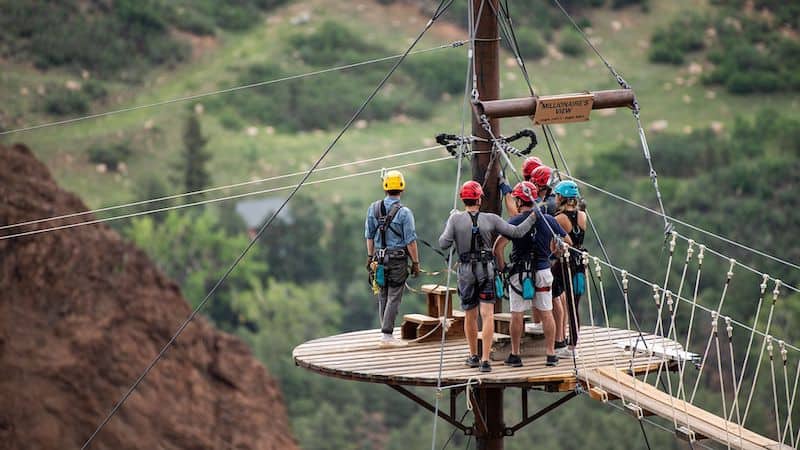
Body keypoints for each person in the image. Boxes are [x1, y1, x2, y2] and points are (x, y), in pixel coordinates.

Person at [439, 180, 537, 373]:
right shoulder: (490, 219)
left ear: (463, 199)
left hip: (466, 271)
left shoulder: (456, 220)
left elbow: (444, 243)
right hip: (487, 270)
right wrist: (533, 217)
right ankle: (485, 360)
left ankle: (473, 355)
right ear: (479, 199)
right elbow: (516, 232)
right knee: (487, 314)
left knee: (470, 314)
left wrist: (452, 221)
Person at [494, 182, 570, 368]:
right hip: (543, 270)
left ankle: (515, 354)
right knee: (546, 312)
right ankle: (551, 354)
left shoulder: (514, 222)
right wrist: (552, 253)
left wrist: (503, 268)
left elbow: (498, 247)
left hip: (519, 272)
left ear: (519, 201)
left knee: (517, 314)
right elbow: (567, 241)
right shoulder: (549, 221)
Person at [365, 170, 420, 346]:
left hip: (379, 259)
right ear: (402, 189)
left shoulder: (373, 208)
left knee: (383, 294)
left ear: (385, 187)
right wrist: (416, 263)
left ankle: (385, 332)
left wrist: (369, 256)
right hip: (397, 260)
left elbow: (369, 236)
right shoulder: (405, 213)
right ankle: (387, 335)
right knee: (394, 296)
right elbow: (410, 242)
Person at [551, 180, 587, 360]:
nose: (555, 198)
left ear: (562, 197)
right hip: (580, 261)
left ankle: (560, 341)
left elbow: (553, 247)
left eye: (557, 195)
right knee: (574, 305)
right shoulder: (583, 216)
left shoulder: (559, 219)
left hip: (565, 262)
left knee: (550, 292)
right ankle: (572, 344)